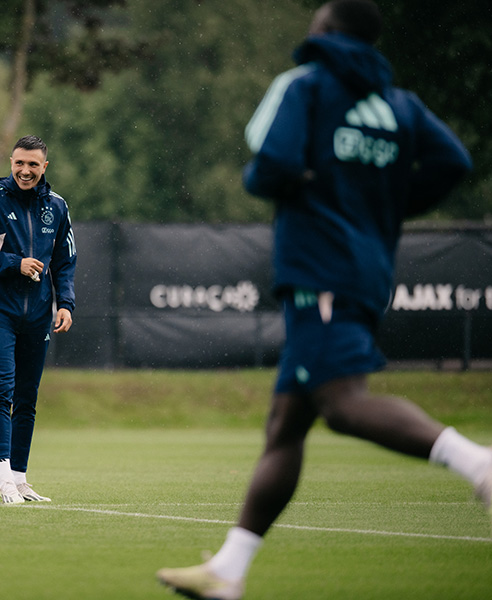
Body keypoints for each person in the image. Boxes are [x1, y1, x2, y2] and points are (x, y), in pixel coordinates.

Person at [157, 2, 488, 599]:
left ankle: (477, 463)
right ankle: (228, 571)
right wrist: (383, 202)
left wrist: (304, 185)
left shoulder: (308, 88)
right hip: (364, 269)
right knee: (285, 426)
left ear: (327, 34)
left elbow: (269, 169)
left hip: (320, 272)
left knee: (341, 404)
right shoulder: (400, 105)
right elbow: (453, 161)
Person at [0, 135, 77, 504]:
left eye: (33, 165)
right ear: (11, 163)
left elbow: (65, 260)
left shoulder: (56, 207)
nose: (25, 171)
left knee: (27, 398)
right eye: (19, 164)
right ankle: (3, 479)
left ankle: (21, 479)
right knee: (1, 392)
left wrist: (66, 303)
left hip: (39, 315)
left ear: (45, 167)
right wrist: (14, 263)